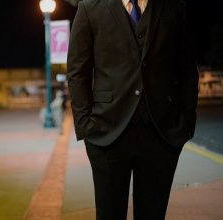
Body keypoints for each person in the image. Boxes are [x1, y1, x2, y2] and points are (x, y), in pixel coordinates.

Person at [67, 0, 199, 219]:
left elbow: (187, 70)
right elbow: (77, 72)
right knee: (109, 214)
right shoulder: (90, 7)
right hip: (106, 133)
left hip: (161, 134)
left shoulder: (174, 7)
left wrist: (186, 123)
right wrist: (85, 126)